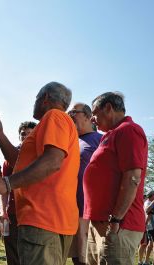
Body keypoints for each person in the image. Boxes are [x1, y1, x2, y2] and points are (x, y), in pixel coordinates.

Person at [0, 81, 80, 265]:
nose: (34, 103)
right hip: (52, 218)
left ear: (45, 98)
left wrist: (6, 183)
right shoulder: (56, 122)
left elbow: (52, 162)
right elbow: (21, 162)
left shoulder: (54, 116)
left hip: (42, 217)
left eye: (36, 98)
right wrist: (1, 134)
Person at [83, 92, 148, 265]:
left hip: (118, 225)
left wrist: (116, 219)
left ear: (109, 108)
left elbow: (133, 176)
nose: (93, 119)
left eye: (95, 114)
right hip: (100, 223)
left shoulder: (129, 130)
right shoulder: (109, 135)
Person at [67, 103, 102, 265]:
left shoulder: (101, 139)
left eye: (74, 112)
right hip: (69, 210)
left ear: (88, 116)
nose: (70, 114)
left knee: (89, 259)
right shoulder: (69, 140)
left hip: (90, 213)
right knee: (77, 258)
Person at [1, 121, 36, 265]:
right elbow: (4, 187)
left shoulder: (42, 155)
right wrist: (3, 211)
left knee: (33, 254)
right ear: (19, 136)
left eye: (30, 134)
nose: (26, 136)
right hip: (14, 212)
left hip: (35, 213)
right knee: (13, 252)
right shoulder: (9, 157)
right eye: (23, 134)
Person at [140, 191, 154, 265]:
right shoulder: (148, 203)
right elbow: (147, 210)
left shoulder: (148, 202)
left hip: (151, 227)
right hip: (153, 227)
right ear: (152, 196)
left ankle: (146, 261)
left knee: (150, 245)